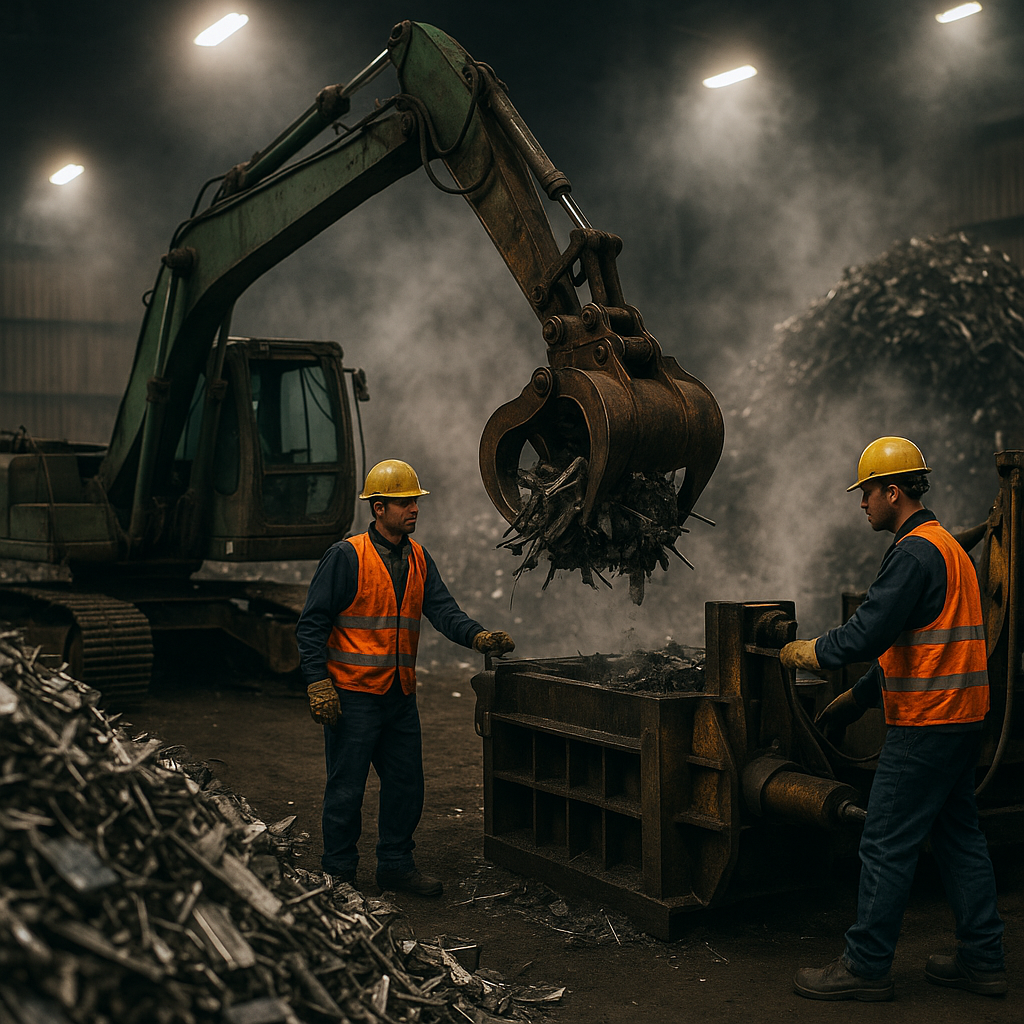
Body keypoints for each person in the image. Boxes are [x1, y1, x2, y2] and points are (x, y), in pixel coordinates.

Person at [781, 436, 1006, 1001]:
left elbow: (869, 631)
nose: (862, 504)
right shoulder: (948, 549)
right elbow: (924, 643)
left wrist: (807, 652)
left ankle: (866, 966)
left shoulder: (911, 554)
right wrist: (858, 698)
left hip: (926, 726)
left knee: (883, 841)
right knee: (959, 840)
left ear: (894, 491)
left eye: (867, 493)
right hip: (962, 722)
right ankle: (983, 960)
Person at [296, 459, 515, 897]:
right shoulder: (346, 556)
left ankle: (395, 865)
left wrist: (478, 637)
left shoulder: (417, 556)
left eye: (415, 500)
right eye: (404, 502)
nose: (414, 508)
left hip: (398, 697)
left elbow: (442, 610)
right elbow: (311, 624)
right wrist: (318, 682)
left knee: (406, 786)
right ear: (378, 507)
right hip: (353, 697)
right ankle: (338, 875)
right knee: (346, 789)